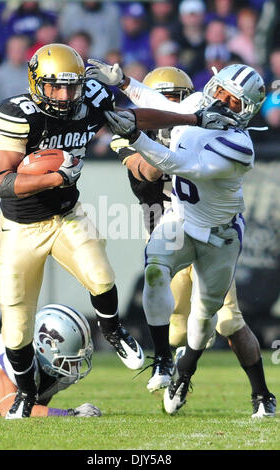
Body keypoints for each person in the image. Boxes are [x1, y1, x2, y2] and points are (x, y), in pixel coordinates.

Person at [87, 60, 276, 418]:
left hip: (219, 236)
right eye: (218, 90)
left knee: (207, 320)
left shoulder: (239, 147)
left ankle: (185, 370)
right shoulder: (196, 106)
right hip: (180, 219)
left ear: (245, 110)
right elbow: (168, 107)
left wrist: (136, 135)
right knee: (155, 270)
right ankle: (162, 360)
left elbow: (177, 165)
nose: (219, 100)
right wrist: (124, 82)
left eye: (231, 100)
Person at [0, 43, 145, 419]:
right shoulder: (20, 114)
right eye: (55, 86)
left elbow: (137, 116)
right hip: (21, 227)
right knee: (16, 320)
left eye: (72, 86)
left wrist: (149, 119)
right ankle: (26, 394)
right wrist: (54, 177)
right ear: (36, 83)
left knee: (101, 274)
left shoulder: (90, 100)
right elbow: (1, 181)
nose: (64, 95)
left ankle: (113, 331)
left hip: (66, 215)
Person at [0, 303, 101, 419]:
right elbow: (11, 409)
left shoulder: (55, 369)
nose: (75, 365)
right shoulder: (6, 359)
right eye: (70, 357)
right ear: (46, 347)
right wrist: (70, 414)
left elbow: (37, 405)